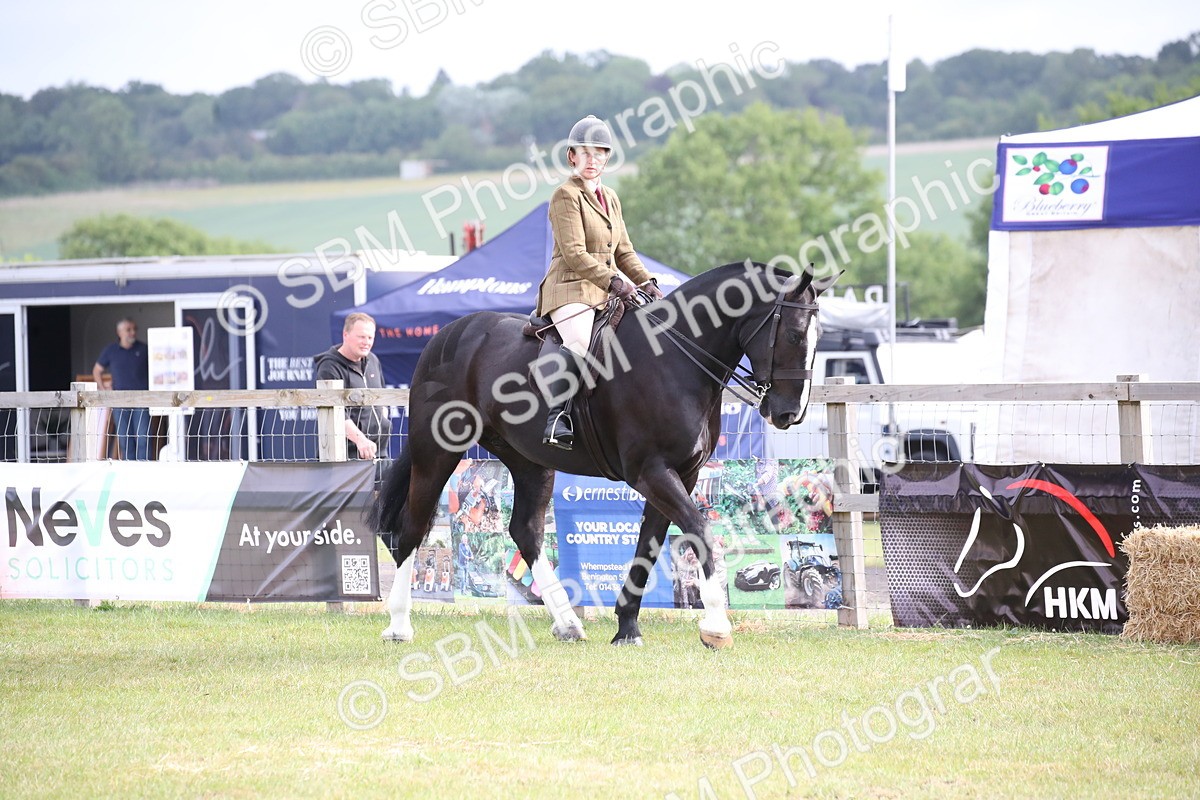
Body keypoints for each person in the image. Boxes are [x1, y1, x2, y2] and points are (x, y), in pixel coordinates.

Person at [535, 114, 664, 450]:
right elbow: (574, 253)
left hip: (605, 292)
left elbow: (625, 251)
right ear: (571, 156)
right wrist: (614, 281)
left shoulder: (611, 197)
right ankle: (556, 419)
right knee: (580, 342)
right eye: (585, 153)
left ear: (607, 158)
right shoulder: (565, 195)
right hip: (569, 289)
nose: (592, 160)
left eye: (599, 153)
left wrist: (647, 282)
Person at [314, 312, 392, 464]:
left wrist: (384, 421)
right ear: (345, 335)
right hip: (345, 457)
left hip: (379, 453)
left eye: (370, 337)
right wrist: (360, 440)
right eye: (361, 337)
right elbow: (336, 413)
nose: (366, 342)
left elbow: (382, 397)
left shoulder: (373, 360)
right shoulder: (329, 366)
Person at [92, 318, 152, 460]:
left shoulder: (144, 349)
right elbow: (97, 370)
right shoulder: (111, 350)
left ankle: (145, 468)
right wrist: (103, 390)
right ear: (119, 332)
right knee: (125, 440)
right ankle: (129, 469)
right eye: (128, 330)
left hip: (142, 400)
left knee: (143, 439)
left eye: (134, 329)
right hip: (119, 401)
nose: (132, 332)